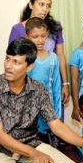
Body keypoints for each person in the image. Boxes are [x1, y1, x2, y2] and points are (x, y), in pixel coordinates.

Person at [8, 0, 70, 106]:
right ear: (31, 5)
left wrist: (65, 84)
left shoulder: (55, 27)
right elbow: (12, 61)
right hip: (27, 87)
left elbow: (60, 55)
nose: (45, 9)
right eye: (41, 4)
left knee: (54, 120)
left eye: (48, 5)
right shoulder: (17, 29)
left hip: (52, 84)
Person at [25, 17, 61, 145]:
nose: (40, 40)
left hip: (48, 109)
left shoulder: (53, 59)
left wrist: (56, 114)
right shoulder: (24, 59)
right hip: (28, 111)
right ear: (27, 37)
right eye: (35, 37)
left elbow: (56, 87)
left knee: (49, 147)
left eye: (43, 36)